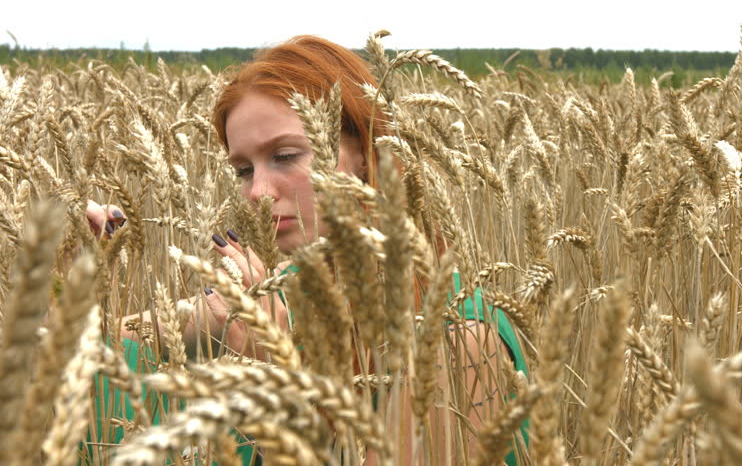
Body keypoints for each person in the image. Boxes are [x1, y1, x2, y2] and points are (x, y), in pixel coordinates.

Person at [87, 35, 527, 465]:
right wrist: (87, 281)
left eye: (285, 156)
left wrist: (276, 381)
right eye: (243, 169)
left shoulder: (460, 340)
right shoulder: (290, 294)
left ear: (365, 150)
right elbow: (110, 336)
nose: (258, 191)